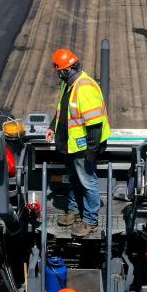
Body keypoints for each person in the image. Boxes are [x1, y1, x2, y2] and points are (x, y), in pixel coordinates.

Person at [44, 48, 110, 237]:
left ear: (66, 70)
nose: (58, 75)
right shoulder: (69, 84)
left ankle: (90, 220)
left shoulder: (85, 87)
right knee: (73, 179)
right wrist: (52, 126)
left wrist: (92, 149)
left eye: (59, 71)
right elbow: (62, 109)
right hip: (70, 145)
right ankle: (73, 211)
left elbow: (95, 123)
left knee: (88, 182)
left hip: (83, 148)